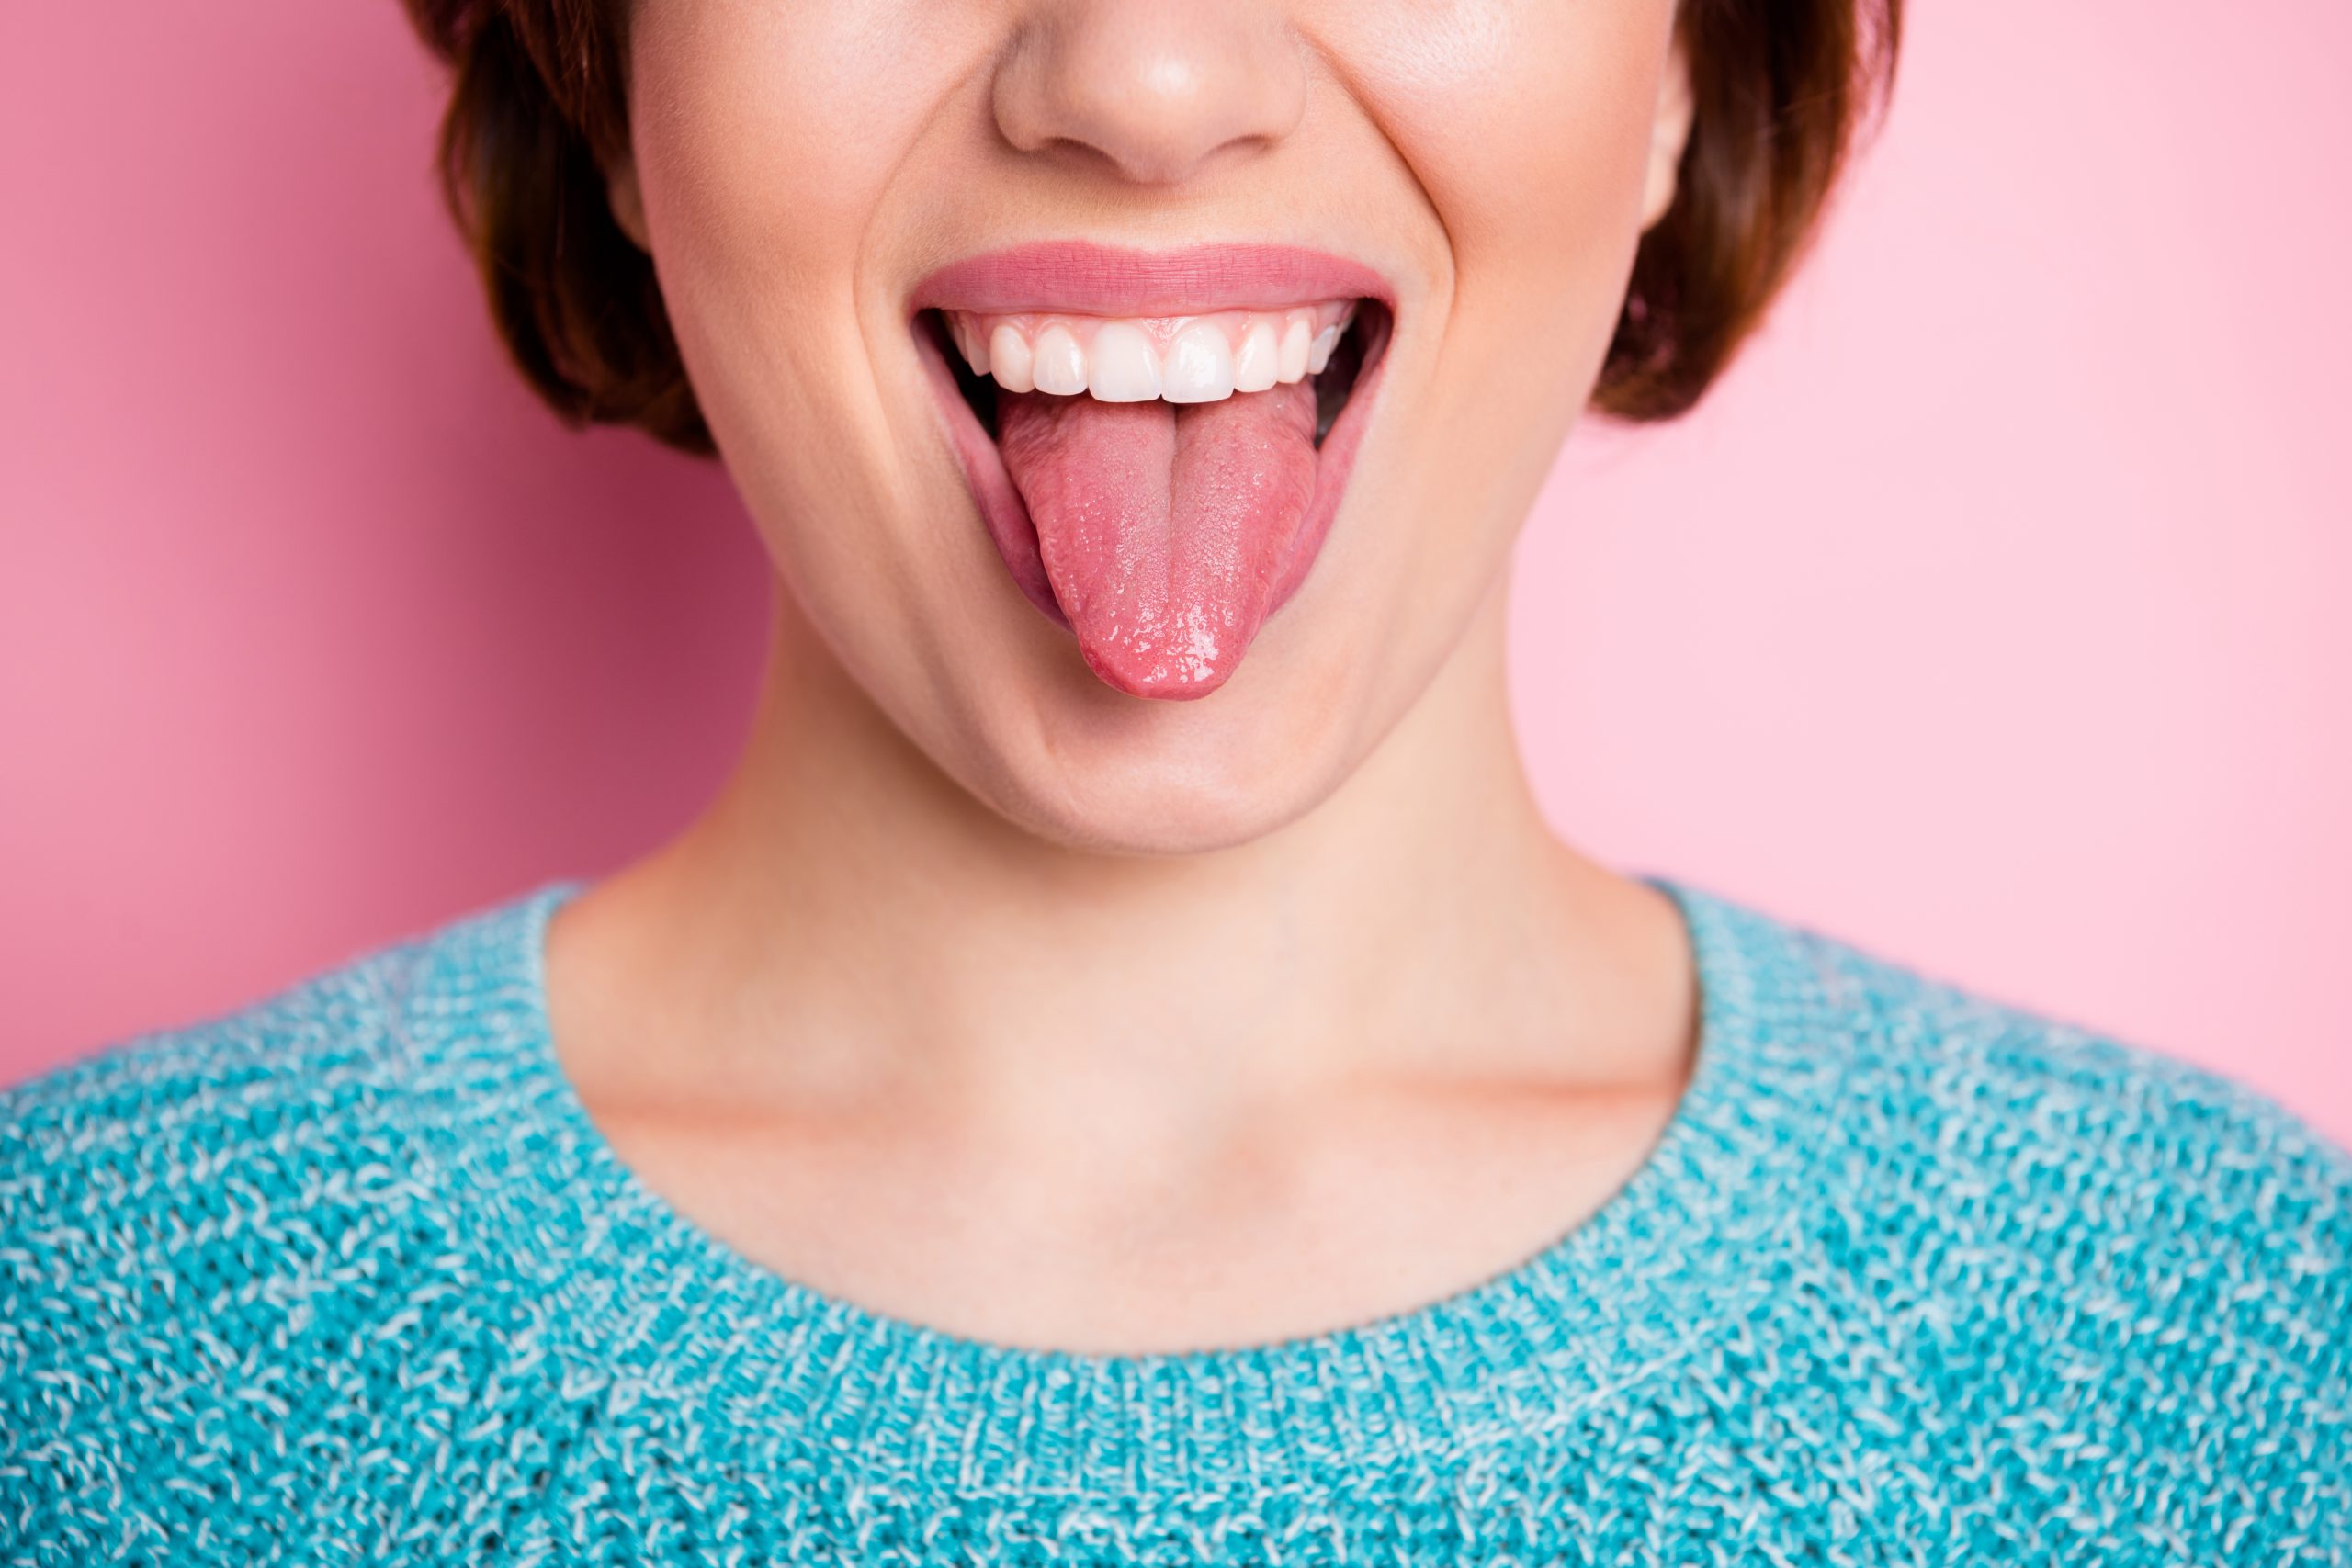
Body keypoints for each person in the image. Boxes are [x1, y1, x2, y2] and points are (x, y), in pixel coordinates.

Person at [5, 1, 2346, 1562]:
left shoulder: (2224, 1359)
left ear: (1676, 58)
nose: (1139, 72)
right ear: (616, 69)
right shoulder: (78, 1354)